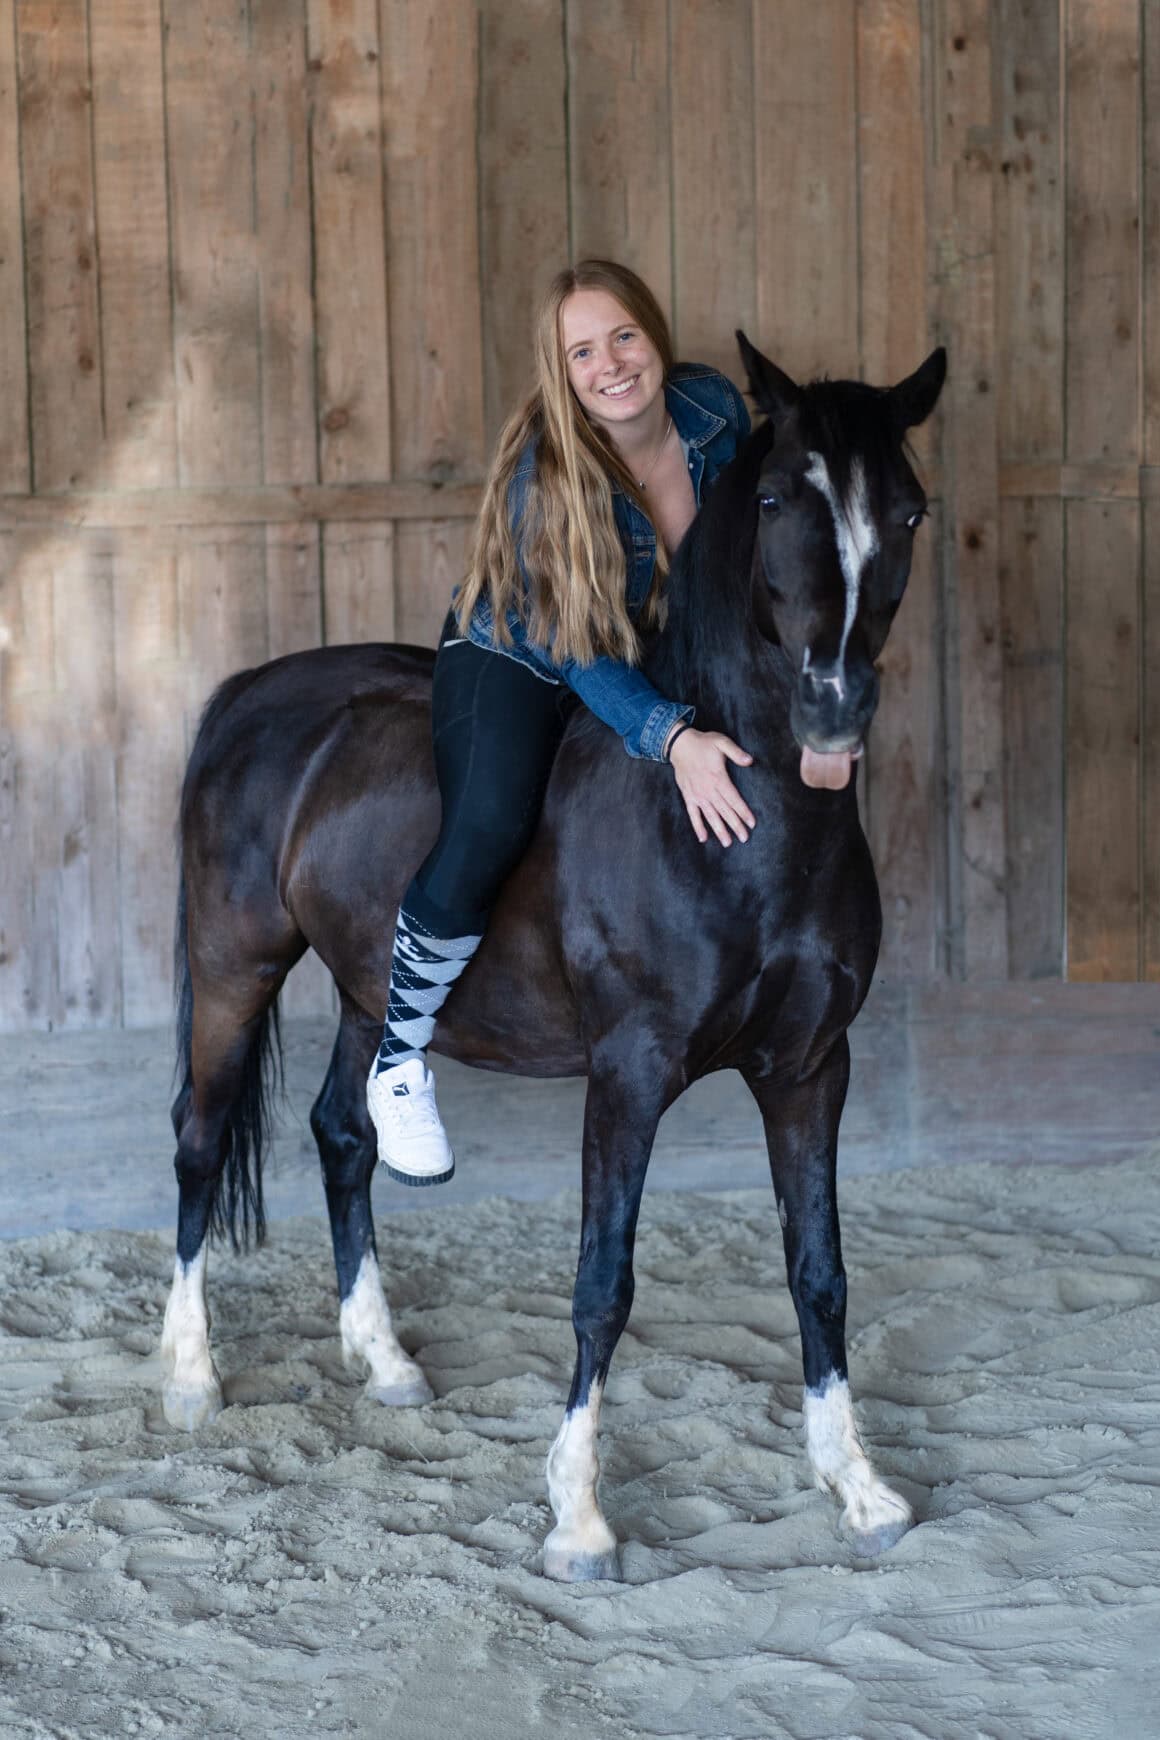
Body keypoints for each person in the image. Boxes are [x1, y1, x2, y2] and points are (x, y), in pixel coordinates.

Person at [366, 259, 757, 1187]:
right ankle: (398, 1058)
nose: (610, 365)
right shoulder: (546, 475)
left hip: (644, 634)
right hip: (526, 645)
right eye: (582, 352)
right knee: (490, 819)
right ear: (560, 371)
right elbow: (579, 648)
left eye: (623, 336)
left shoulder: (713, 413)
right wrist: (672, 737)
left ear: (654, 335)